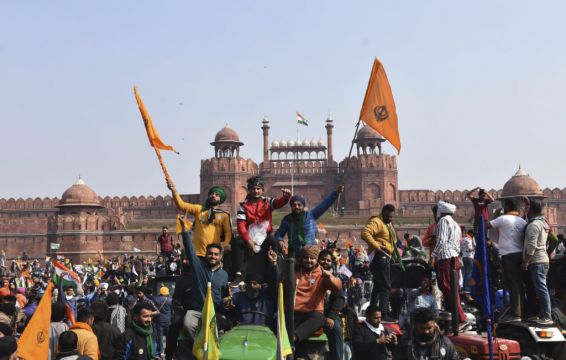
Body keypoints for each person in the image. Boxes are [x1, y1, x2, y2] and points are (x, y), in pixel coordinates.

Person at [232, 175, 291, 283]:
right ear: (249, 190)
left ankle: (274, 269)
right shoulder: (243, 206)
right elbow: (241, 225)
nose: (256, 191)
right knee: (237, 242)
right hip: (249, 236)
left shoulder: (268, 202)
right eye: (253, 189)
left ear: (263, 190)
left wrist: (286, 197)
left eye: (258, 189)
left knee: (273, 241)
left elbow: (279, 203)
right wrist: (248, 240)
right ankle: (240, 272)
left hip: (264, 236)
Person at [181, 228, 229, 343]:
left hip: (215, 312)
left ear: (220, 256)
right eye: (210, 253)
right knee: (187, 324)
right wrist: (184, 231)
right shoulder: (199, 268)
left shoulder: (224, 275)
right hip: (197, 310)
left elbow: (224, 295)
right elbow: (190, 249)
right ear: (206, 254)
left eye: (216, 254)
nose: (213, 256)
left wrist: (226, 303)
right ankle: (200, 347)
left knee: (223, 332)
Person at [486, 197, 527, 322]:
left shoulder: (503, 219)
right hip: (520, 254)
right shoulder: (521, 221)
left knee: (512, 284)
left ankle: (516, 313)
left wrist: (496, 213)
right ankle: (521, 310)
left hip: (508, 255)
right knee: (519, 284)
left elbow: (485, 224)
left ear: (507, 207)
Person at [167, 181, 233, 258]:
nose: (213, 196)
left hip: (213, 254)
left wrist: (225, 245)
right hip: (198, 253)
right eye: (212, 194)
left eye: (217, 195)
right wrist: (174, 191)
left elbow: (228, 232)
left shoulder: (224, 215)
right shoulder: (199, 210)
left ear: (220, 200)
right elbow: (181, 205)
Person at [275, 186, 344, 259]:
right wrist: (280, 240)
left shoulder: (311, 215)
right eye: (294, 205)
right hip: (294, 255)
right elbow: (278, 234)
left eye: (299, 205)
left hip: (310, 254)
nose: (297, 207)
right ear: (291, 207)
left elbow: (324, 204)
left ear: (303, 206)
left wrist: (335, 193)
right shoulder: (288, 219)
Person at [293, 246, 342, 346]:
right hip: (294, 312)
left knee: (323, 320)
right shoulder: (294, 271)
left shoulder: (323, 274)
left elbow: (338, 287)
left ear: (316, 260)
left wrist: (330, 277)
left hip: (314, 314)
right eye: (306, 258)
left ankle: (294, 337)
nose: (309, 260)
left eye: (312, 258)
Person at [429, 201, 467, 325]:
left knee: (447, 286)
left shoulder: (443, 221)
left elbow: (441, 240)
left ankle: (459, 318)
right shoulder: (455, 223)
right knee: (450, 287)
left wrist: (433, 256)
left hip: (445, 257)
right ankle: (454, 316)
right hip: (453, 257)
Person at [361, 204, 399, 321]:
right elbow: (365, 233)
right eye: (388, 216)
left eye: (392, 217)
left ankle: (372, 311)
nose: (390, 218)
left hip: (385, 257)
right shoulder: (377, 221)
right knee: (386, 285)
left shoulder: (388, 225)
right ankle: (384, 312)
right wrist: (376, 245)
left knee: (378, 286)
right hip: (379, 256)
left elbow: (393, 241)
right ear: (383, 213)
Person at [522, 200, 553, 325]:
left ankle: (546, 316)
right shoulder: (542, 223)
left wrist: (526, 262)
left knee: (541, 288)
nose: (526, 211)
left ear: (531, 211)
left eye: (527, 209)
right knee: (539, 288)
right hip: (541, 259)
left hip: (536, 261)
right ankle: (541, 314)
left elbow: (532, 246)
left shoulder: (534, 225)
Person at [394, 307, 459, 360]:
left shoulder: (444, 343)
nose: (426, 331)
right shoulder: (406, 341)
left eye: (429, 328)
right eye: (422, 328)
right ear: (415, 325)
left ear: (434, 324)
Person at [318, 249, 346, 360]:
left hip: (328, 314)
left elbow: (340, 299)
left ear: (331, 263)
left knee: (336, 330)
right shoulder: (311, 274)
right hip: (312, 313)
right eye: (323, 259)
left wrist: (331, 316)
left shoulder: (335, 278)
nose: (325, 262)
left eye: (328, 260)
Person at [152, 286, 173, 357]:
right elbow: (173, 311)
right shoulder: (170, 300)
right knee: (169, 337)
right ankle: (168, 351)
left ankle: (160, 352)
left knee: (159, 336)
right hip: (168, 321)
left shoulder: (155, 299)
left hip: (159, 320)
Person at [461, 229, 475, 294]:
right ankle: (467, 288)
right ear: (471, 234)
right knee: (469, 274)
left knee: (464, 273)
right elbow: (470, 249)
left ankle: (464, 288)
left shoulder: (462, 239)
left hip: (463, 257)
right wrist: (474, 248)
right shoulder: (470, 239)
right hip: (469, 257)